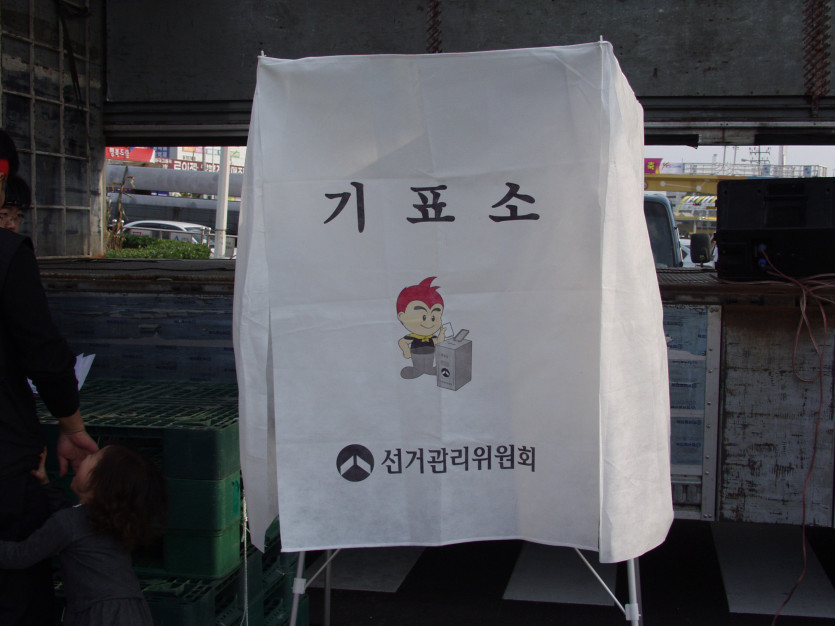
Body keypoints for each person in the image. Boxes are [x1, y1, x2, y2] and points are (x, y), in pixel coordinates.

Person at [0, 129, 99, 625]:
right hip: (4, 463)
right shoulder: (7, 255)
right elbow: (43, 353)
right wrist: (71, 425)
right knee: (16, 598)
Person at [0, 444, 167, 626]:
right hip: (132, 610)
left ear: (96, 481)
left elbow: (19, 556)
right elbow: (70, 519)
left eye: (92, 457)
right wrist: (46, 483)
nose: (85, 457)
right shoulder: (110, 522)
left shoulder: (68, 524)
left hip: (99, 615)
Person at [396, 276, 446, 379]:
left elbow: (438, 342)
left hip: (430, 354)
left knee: (428, 363)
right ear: (402, 316)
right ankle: (417, 370)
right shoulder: (412, 337)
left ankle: (428, 369)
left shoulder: (432, 337)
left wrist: (441, 334)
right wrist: (406, 351)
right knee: (419, 365)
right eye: (423, 317)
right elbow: (402, 342)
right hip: (416, 354)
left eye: (433, 318)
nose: (429, 322)